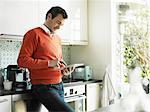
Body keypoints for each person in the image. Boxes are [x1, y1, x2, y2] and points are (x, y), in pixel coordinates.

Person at [17, 6, 75, 112]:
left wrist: (64, 70)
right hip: (43, 87)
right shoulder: (33, 34)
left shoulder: (57, 38)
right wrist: (48, 63)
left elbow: (58, 61)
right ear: (49, 16)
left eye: (61, 25)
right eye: (58, 22)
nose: (59, 27)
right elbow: (22, 61)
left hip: (59, 84)